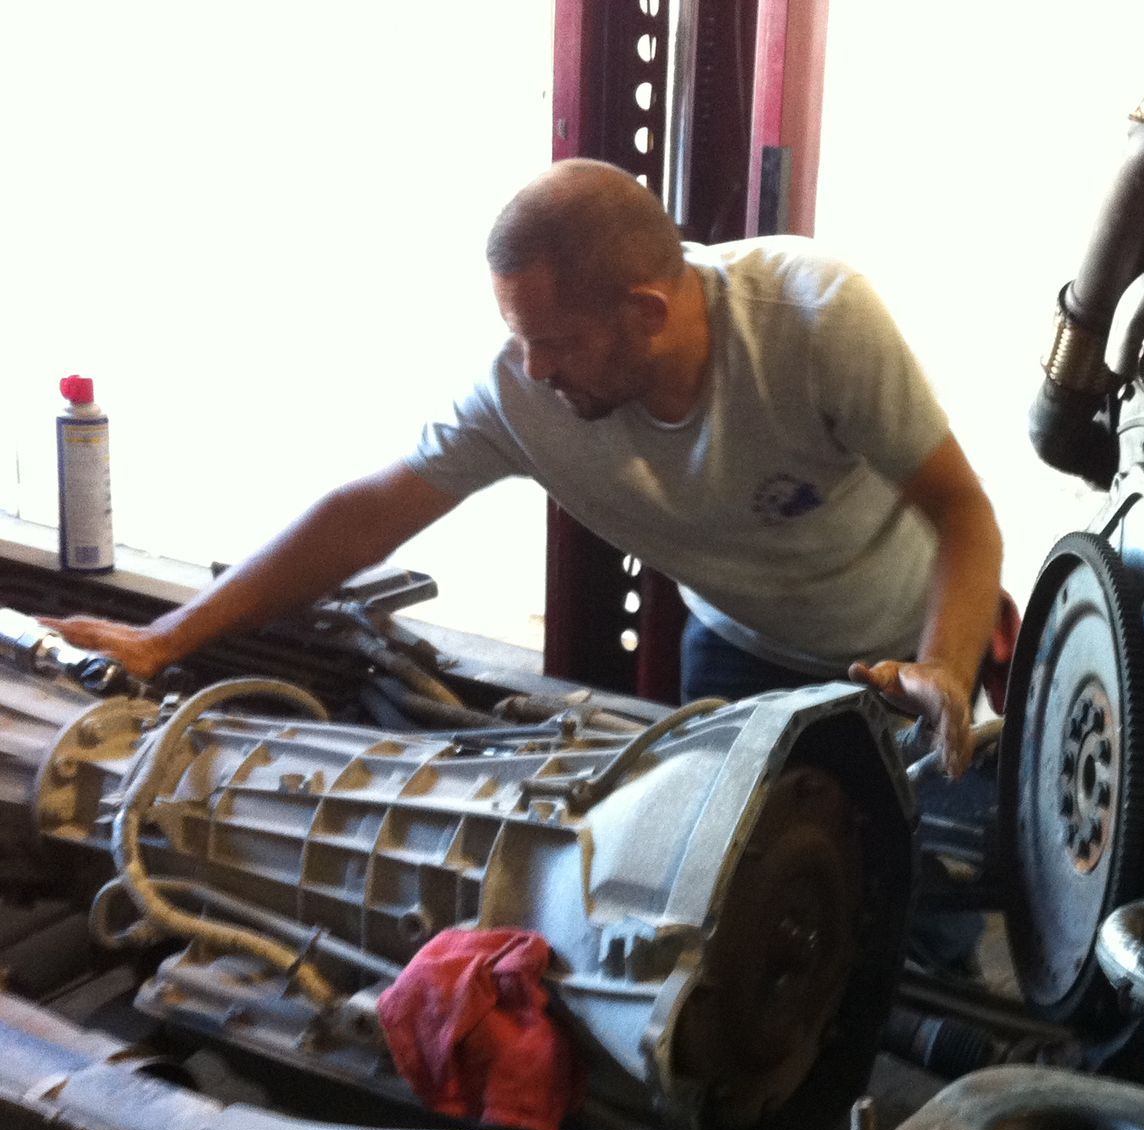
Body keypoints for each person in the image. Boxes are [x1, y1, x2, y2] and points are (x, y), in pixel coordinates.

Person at [49, 159, 1004, 777]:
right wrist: (170, 637)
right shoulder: (524, 387)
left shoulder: (815, 322)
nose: (535, 370)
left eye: (558, 342)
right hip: (737, 646)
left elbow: (964, 513)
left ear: (647, 311)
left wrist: (944, 668)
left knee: (922, 906)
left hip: (904, 646)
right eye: (520, 339)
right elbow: (367, 512)